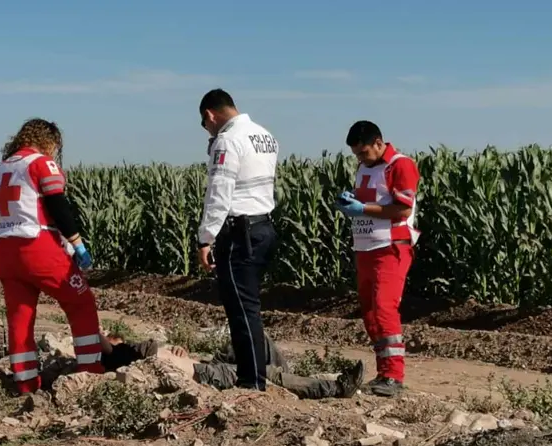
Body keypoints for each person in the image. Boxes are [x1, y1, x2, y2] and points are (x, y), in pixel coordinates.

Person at [0, 118, 109, 394]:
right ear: (49, 141)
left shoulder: (0, 168)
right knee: (81, 303)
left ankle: (25, 382)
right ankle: (91, 372)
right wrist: (76, 242)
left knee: (20, 317)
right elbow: (57, 204)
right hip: (38, 247)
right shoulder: (41, 163)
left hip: (5, 250)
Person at [195, 89, 279, 391]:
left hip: (239, 233)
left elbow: (219, 193)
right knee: (250, 307)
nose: (208, 131)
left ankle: (251, 382)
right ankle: (255, 375)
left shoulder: (227, 140)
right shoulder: (264, 135)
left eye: (205, 125)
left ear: (210, 115)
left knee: (242, 311)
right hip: (263, 227)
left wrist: (205, 239)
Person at [335, 121, 421, 397]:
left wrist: (361, 209)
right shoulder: (364, 167)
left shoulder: (400, 165)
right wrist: (351, 200)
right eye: (356, 155)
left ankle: (394, 376)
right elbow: (373, 199)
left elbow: (402, 209)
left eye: (363, 152)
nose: (360, 159)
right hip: (365, 247)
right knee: (371, 312)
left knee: (384, 308)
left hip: (391, 246)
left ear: (378, 143)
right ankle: (384, 372)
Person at [102, 335, 364, 400]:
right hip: (205, 375)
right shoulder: (121, 357)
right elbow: (98, 340)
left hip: (206, 364)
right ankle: (334, 388)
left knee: (256, 339)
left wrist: (178, 350)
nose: (118, 339)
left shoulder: (133, 350)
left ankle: (291, 382)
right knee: (261, 373)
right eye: (114, 340)